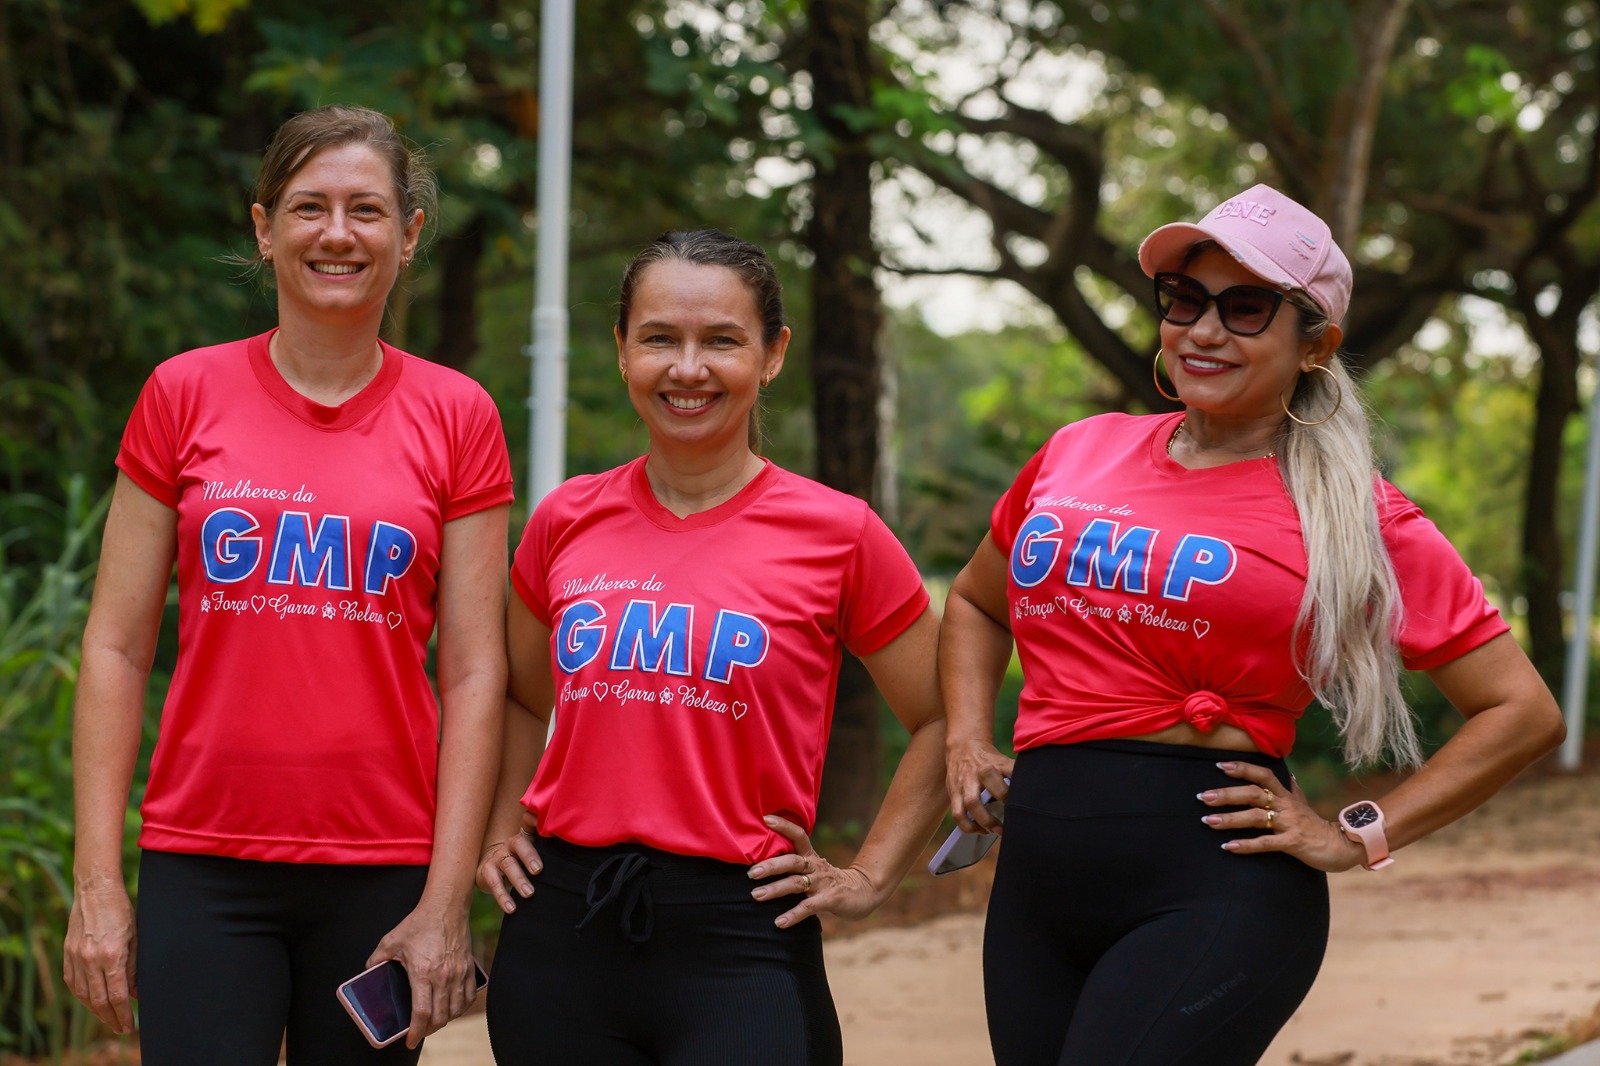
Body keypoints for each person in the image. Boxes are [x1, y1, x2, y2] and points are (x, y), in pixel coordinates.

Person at [940, 183, 1566, 1065]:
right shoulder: (1080, 450)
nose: (1203, 331)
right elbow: (973, 601)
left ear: (1316, 344)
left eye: (1244, 309)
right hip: (1039, 883)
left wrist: (1357, 836)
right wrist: (966, 740)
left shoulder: (1360, 517)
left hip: (1213, 888)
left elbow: (1522, 711)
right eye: (1185, 301)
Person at [63, 104, 512, 1065]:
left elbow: (476, 674)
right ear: (264, 230)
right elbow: (114, 646)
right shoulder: (183, 393)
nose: (338, 234)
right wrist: (97, 882)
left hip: (384, 869)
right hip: (202, 861)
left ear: (409, 232)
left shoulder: (458, 414)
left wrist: (444, 901)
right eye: (309, 207)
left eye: (367, 209)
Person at [474, 229, 948, 1066]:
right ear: (622, 351)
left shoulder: (839, 533)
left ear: (771, 356)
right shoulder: (564, 519)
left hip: (743, 937)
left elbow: (949, 716)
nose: (687, 368)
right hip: (562, 934)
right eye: (660, 338)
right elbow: (518, 696)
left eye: (721, 341)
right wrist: (500, 827)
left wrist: (870, 875)